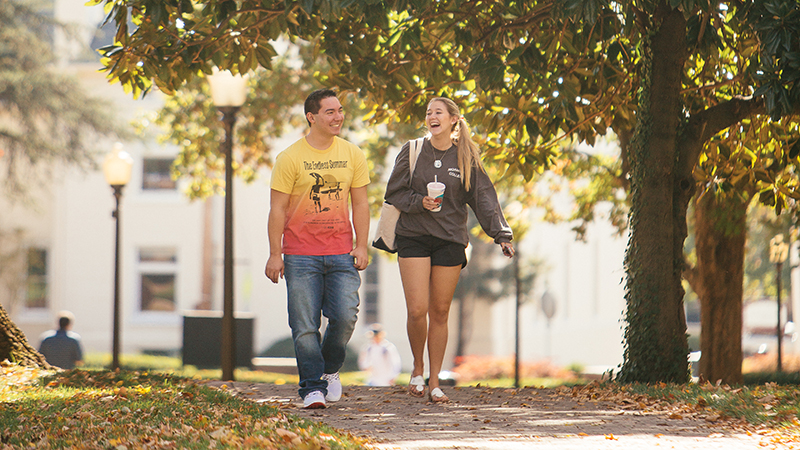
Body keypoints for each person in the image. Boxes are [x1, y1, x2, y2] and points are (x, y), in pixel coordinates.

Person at [383, 97, 514, 403]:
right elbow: (394, 192)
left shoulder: (466, 157)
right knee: (417, 309)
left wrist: (501, 234)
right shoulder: (413, 150)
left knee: (440, 311)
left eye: (438, 112)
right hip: (414, 235)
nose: (431, 116)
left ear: (454, 119)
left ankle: (434, 381)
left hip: (450, 239)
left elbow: (484, 197)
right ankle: (417, 368)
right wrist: (420, 202)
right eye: (428, 113)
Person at [265, 88, 370, 409]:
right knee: (304, 324)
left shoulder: (353, 154)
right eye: (330, 112)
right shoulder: (290, 158)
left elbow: (361, 203)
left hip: (341, 252)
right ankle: (311, 388)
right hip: (300, 255)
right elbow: (277, 209)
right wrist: (274, 252)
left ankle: (329, 369)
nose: (338, 116)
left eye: (339, 111)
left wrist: (362, 245)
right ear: (312, 117)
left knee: (344, 317)